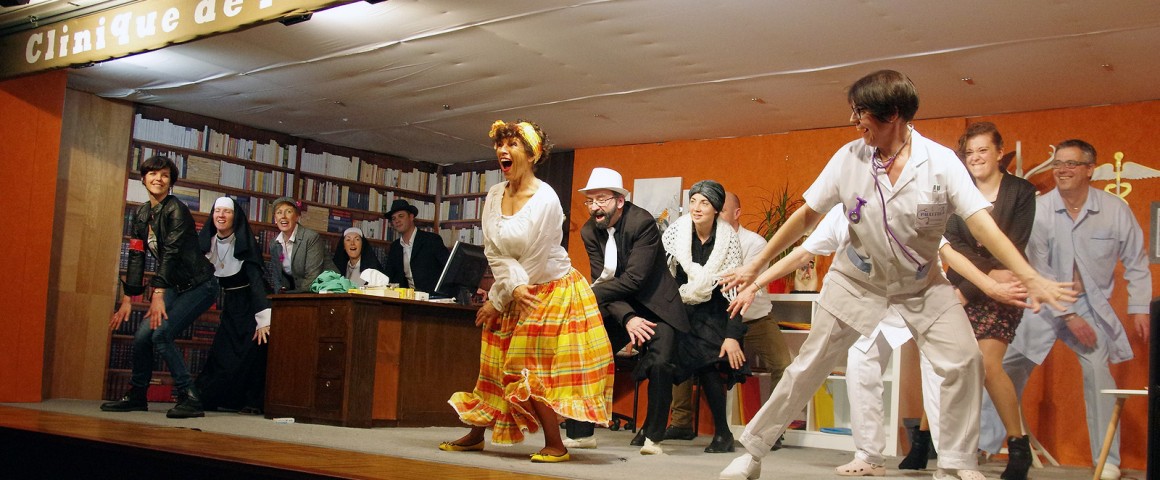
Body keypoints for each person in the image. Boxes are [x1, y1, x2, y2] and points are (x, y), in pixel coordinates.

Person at [717, 70, 1073, 480]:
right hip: (856, 280)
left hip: (921, 283)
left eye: (861, 112)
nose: (854, 121)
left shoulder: (940, 163)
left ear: (894, 114)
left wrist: (1028, 276)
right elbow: (806, 217)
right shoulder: (849, 158)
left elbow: (981, 224)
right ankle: (753, 452)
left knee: (964, 360)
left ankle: (956, 463)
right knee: (809, 365)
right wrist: (757, 264)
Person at [440, 120, 614, 463]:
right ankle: (476, 434)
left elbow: (534, 259)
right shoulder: (494, 194)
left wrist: (498, 299)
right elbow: (494, 251)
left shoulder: (546, 199)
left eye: (513, 145)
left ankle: (556, 444)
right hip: (513, 289)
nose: (503, 151)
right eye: (500, 144)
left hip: (547, 291)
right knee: (494, 363)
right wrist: (504, 295)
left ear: (532, 154)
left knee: (527, 367)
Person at [979, 139, 1152, 480]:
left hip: (1089, 305)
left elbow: (1136, 261)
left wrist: (1139, 308)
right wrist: (1067, 315)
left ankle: (1107, 460)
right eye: (1058, 163)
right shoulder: (1039, 209)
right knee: (1003, 368)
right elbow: (1037, 266)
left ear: (1090, 169)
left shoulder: (1115, 210)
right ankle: (982, 444)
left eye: (1071, 164)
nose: (1062, 170)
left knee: (1099, 372)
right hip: (1041, 302)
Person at [565, 166, 691, 455]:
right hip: (621, 305)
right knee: (587, 350)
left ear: (620, 201)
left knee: (660, 364)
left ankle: (653, 438)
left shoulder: (642, 223)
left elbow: (635, 279)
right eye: (590, 200)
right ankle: (581, 433)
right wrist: (627, 318)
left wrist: (586, 294)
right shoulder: (589, 231)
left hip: (657, 304)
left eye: (602, 199)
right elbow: (603, 279)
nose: (595, 207)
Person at [937, 122, 1038, 480]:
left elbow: (1012, 245)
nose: (976, 158)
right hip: (963, 285)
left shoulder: (1021, 192)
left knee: (986, 364)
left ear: (999, 152)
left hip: (1004, 289)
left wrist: (971, 289)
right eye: (970, 152)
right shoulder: (956, 192)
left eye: (983, 150)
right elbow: (953, 246)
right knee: (952, 366)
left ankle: (1018, 446)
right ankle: (929, 443)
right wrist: (975, 283)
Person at [666, 192, 790, 444]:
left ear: (736, 213)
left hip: (752, 317)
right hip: (715, 319)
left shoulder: (753, 243)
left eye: (720, 210)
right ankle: (681, 422)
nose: (712, 213)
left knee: (783, 364)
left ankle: (772, 428)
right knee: (685, 353)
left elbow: (744, 286)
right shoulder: (694, 239)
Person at [102, 155, 219, 419]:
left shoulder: (176, 209)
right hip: (174, 285)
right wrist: (129, 298)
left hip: (200, 285)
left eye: (165, 175)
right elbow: (136, 256)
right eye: (153, 174)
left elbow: (171, 254)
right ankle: (137, 396)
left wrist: (158, 293)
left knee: (161, 335)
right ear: (143, 178)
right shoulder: (142, 214)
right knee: (142, 336)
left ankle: (190, 398)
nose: (159, 179)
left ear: (171, 182)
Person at [661, 180, 750, 454]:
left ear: (717, 210)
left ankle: (723, 433)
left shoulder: (728, 240)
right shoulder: (676, 234)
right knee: (660, 356)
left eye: (705, 203)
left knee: (709, 359)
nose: (697, 208)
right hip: (681, 308)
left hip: (715, 312)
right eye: (693, 201)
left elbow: (735, 292)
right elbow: (665, 282)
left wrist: (732, 336)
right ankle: (653, 429)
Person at [194, 196, 272, 415]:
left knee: (251, 353)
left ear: (234, 217)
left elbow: (257, 283)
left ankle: (250, 402)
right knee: (223, 353)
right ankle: (213, 398)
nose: (221, 215)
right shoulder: (208, 244)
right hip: (231, 306)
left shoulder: (244, 244)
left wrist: (264, 320)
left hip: (252, 306)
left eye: (226, 212)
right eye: (217, 211)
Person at [268, 197, 336, 293]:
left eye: (288, 212)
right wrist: (279, 295)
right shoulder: (274, 243)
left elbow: (313, 277)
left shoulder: (310, 237)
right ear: (275, 219)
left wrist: (290, 296)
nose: (283, 216)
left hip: (324, 291)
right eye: (279, 212)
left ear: (297, 217)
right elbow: (277, 277)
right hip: (296, 292)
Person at [384, 198, 449, 293]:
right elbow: (389, 276)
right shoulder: (395, 247)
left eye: (401, 216)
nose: (397, 220)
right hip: (407, 298)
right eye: (393, 218)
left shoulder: (431, 240)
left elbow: (449, 269)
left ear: (411, 217)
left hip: (432, 298)